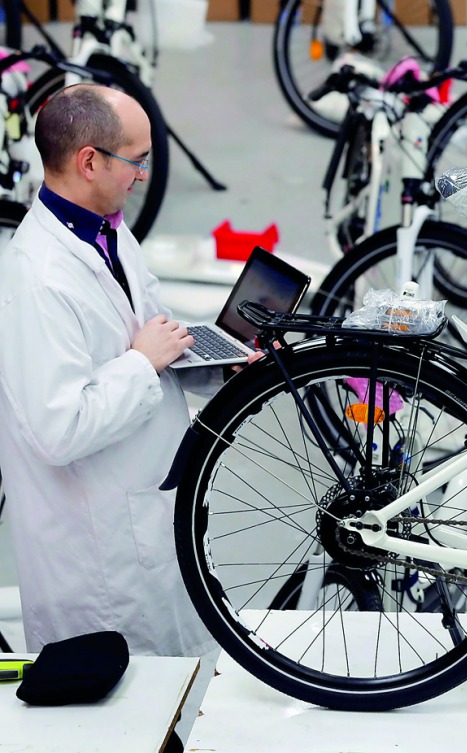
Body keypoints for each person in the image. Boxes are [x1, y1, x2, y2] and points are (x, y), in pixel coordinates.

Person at [0, 84, 229, 658]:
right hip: (98, 558)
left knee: (181, 682)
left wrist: (221, 364)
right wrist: (141, 363)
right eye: (137, 160)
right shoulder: (38, 280)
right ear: (89, 162)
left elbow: (150, 331)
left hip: (146, 511)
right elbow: (58, 430)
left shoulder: (108, 230)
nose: (144, 175)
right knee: (126, 701)